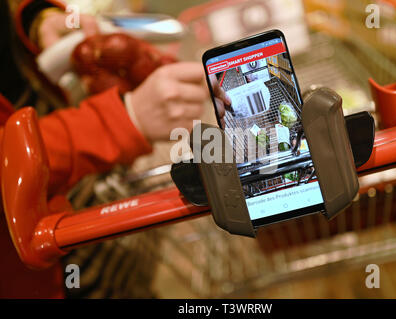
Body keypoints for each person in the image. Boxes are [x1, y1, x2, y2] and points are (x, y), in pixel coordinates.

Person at [0, 0, 229, 298]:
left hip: (66, 144)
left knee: (127, 271)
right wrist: (119, 120)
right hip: (31, 260)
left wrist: (38, 19)